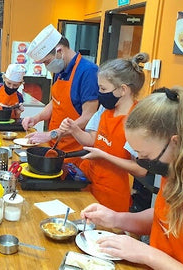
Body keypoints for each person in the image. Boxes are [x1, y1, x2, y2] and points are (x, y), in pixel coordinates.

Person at [80, 86, 183, 269]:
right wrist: (116, 219)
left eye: (144, 155)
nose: (140, 161)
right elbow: (163, 217)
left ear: (176, 142)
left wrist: (148, 254)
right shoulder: (177, 165)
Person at [59, 53, 149, 212]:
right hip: (89, 181)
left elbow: (140, 170)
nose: (100, 93)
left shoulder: (137, 120)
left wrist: (103, 156)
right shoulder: (104, 110)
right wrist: (74, 129)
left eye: (103, 88)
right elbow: (92, 140)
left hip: (112, 193)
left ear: (122, 90)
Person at [22, 24, 99, 165]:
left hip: (75, 152)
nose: (46, 66)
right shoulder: (60, 69)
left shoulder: (88, 72)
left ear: (59, 51)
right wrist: (37, 118)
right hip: (55, 147)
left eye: (46, 61)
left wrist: (51, 134)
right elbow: (56, 101)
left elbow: (88, 117)